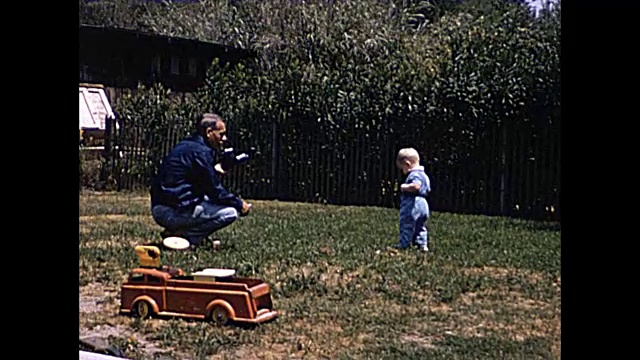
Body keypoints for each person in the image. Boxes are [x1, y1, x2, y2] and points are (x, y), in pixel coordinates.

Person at [150, 113, 252, 248]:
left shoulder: (187, 145)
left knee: (206, 201)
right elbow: (215, 191)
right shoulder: (201, 152)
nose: (224, 138)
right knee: (230, 213)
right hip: (172, 212)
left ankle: (180, 232)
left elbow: (192, 178)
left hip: (160, 207)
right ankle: (188, 237)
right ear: (209, 132)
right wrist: (239, 203)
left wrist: (216, 170)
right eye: (221, 134)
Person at [394, 148, 431, 252]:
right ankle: (422, 244)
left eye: (402, 169)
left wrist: (404, 187)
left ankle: (403, 244)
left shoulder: (414, 175)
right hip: (424, 204)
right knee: (420, 226)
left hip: (413, 204)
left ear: (407, 164)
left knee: (406, 224)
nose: (403, 172)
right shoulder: (425, 175)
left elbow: (416, 186)